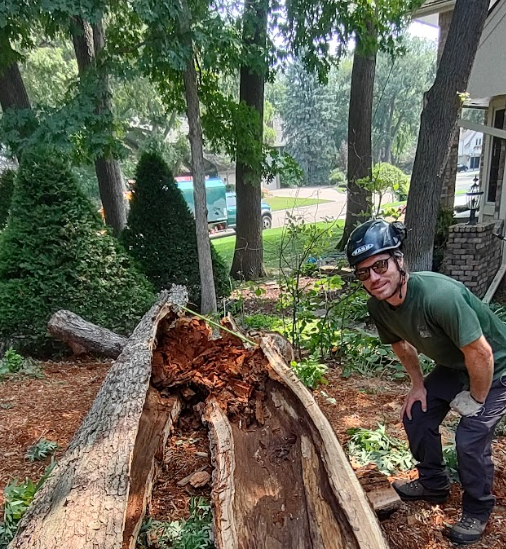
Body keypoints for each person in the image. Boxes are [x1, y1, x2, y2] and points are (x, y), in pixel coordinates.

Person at [346, 218, 506, 545]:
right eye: (364, 272)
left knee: (470, 437)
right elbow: (399, 344)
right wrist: (418, 385)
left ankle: (477, 509)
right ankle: (433, 483)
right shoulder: (379, 307)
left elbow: (483, 354)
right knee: (415, 414)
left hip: (498, 368)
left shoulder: (439, 296)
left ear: (399, 260)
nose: (374, 278)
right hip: (458, 365)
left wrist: (476, 399)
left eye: (380, 265)